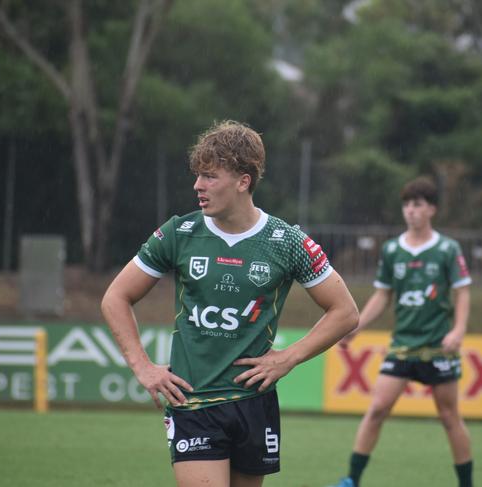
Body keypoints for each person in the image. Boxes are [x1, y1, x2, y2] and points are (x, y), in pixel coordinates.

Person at [101, 120, 359, 487]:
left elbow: (346, 312)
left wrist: (289, 357)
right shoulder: (179, 233)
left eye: (209, 176)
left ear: (243, 181)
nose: (197, 186)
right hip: (193, 402)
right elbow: (115, 297)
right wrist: (142, 367)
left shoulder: (286, 241)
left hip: (254, 402)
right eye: (197, 175)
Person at [328, 176, 473, 487]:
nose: (411, 211)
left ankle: (467, 484)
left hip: (437, 346)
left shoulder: (448, 249)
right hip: (403, 345)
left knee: (449, 417)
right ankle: (351, 479)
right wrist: (356, 326)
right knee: (378, 409)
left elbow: (462, 292)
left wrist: (459, 330)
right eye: (407, 205)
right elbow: (383, 295)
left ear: (431, 209)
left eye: (418, 205)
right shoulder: (393, 249)